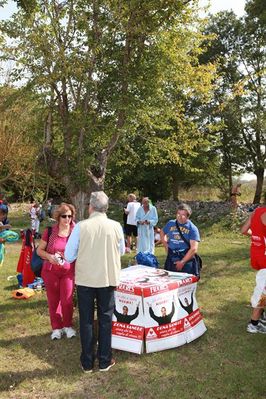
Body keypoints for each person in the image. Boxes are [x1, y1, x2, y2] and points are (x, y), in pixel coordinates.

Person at [65, 191, 125, 373]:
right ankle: (104, 360)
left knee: (86, 320)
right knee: (106, 319)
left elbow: (68, 255)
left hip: (86, 279)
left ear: (90, 207)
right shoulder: (116, 226)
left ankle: (87, 362)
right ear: (106, 207)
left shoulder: (81, 227)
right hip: (107, 278)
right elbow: (121, 251)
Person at [37, 203, 76, 340]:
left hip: (68, 272)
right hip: (50, 271)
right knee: (53, 301)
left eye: (69, 216)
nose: (67, 219)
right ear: (58, 217)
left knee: (67, 301)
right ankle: (56, 328)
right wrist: (49, 257)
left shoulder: (75, 231)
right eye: (64, 216)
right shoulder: (50, 232)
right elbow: (39, 250)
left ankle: (67, 325)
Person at [240, 205, 266, 334]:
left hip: (257, 255)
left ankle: (261, 319)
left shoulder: (256, 211)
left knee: (263, 290)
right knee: (263, 293)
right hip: (265, 258)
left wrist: (256, 235)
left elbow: (244, 230)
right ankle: (253, 324)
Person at [160, 203, 200, 276]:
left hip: (185, 256)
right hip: (172, 255)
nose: (180, 217)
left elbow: (194, 249)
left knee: (185, 281)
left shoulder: (192, 228)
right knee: (169, 279)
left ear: (188, 216)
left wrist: (182, 262)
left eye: (183, 215)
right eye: (178, 214)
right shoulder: (171, 223)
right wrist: (165, 244)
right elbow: (162, 231)